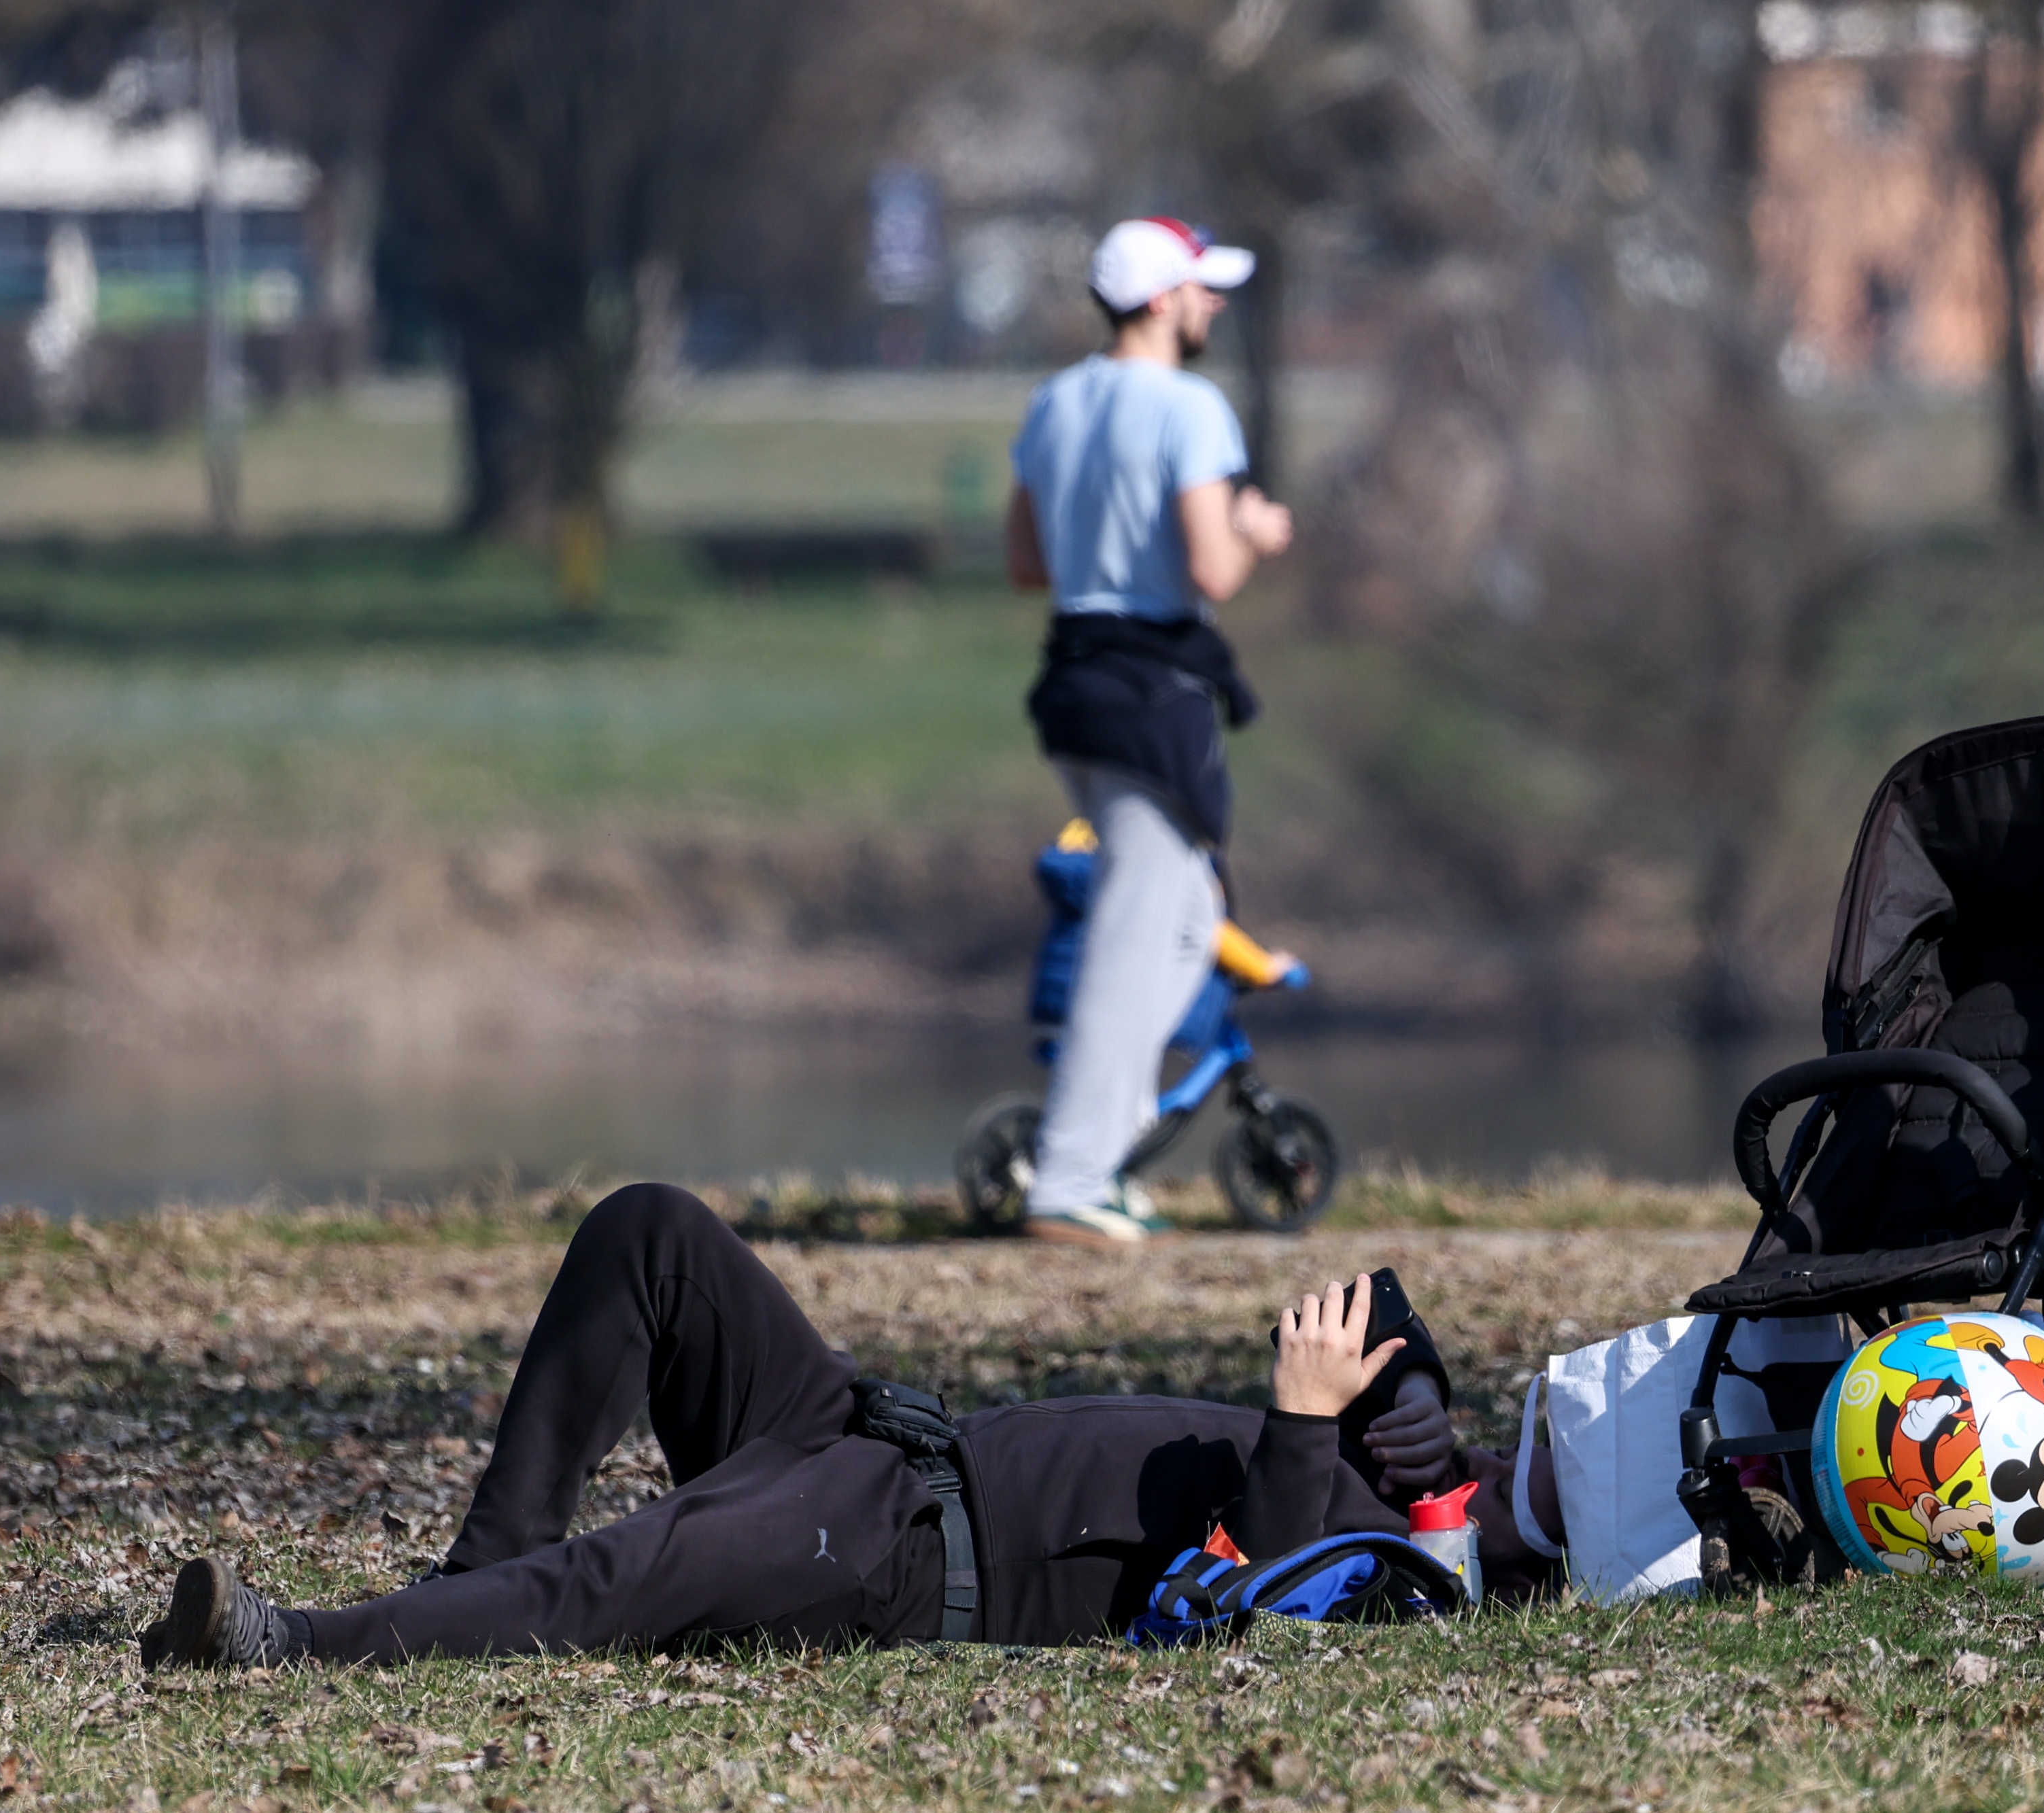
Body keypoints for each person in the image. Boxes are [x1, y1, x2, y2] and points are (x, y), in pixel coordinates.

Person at [139, 1183, 1562, 1669]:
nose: (1547, 1430)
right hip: (861, 1425)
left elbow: (1221, 1619)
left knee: (623, 1579)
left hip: (897, 1553)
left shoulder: (1421, 1590)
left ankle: (293, 1644)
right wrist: (1409, 1397)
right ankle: (474, 1578)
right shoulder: (1437, 1473)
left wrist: (1304, 1425)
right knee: (651, 1232)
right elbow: (1379, 1296)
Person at [1006, 217, 1296, 1250]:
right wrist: (1256, 531)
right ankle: (1071, 1177)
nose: (1214, 304)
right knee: (1137, 939)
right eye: (1204, 289)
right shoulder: (1190, 406)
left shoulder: (1053, 403)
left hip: (1075, 684)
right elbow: (1212, 571)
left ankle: (1108, 1146)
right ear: (1165, 299)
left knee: (1181, 921)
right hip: (1153, 693)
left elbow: (1027, 561)